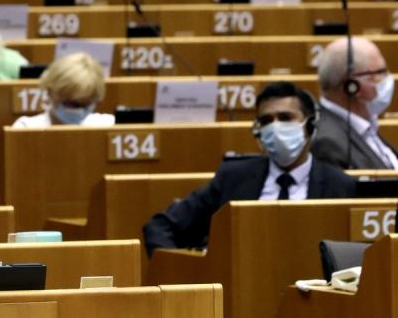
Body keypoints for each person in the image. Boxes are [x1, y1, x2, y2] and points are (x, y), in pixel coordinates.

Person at [142, 81, 355, 257]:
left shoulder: (341, 186)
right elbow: (160, 226)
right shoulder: (232, 177)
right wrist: (187, 270)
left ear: (310, 126)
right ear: (258, 131)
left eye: (285, 118)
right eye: (266, 120)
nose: (275, 126)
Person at [313, 37, 398, 169]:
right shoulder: (328, 143)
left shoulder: (366, 129)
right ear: (352, 86)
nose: (387, 79)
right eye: (379, 73)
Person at [12, 52, 114, 127]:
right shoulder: (25, 128)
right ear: (50, 92)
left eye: (87, 104)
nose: (79, 111)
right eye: (72, 104)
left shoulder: (108, 125)